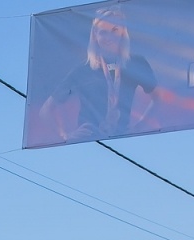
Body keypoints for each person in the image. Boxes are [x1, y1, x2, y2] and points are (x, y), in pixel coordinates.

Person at [38, 8, 158, 143]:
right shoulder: (83, 70)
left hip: (123, 140)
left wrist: (139, 127)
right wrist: (65, 135)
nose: (109, 37)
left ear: (123, 32)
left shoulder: (136, 63)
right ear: (95, 35)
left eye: (115, 30)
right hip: (89, 143)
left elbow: (158, 99)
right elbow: (45, 111)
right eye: (103, 32)